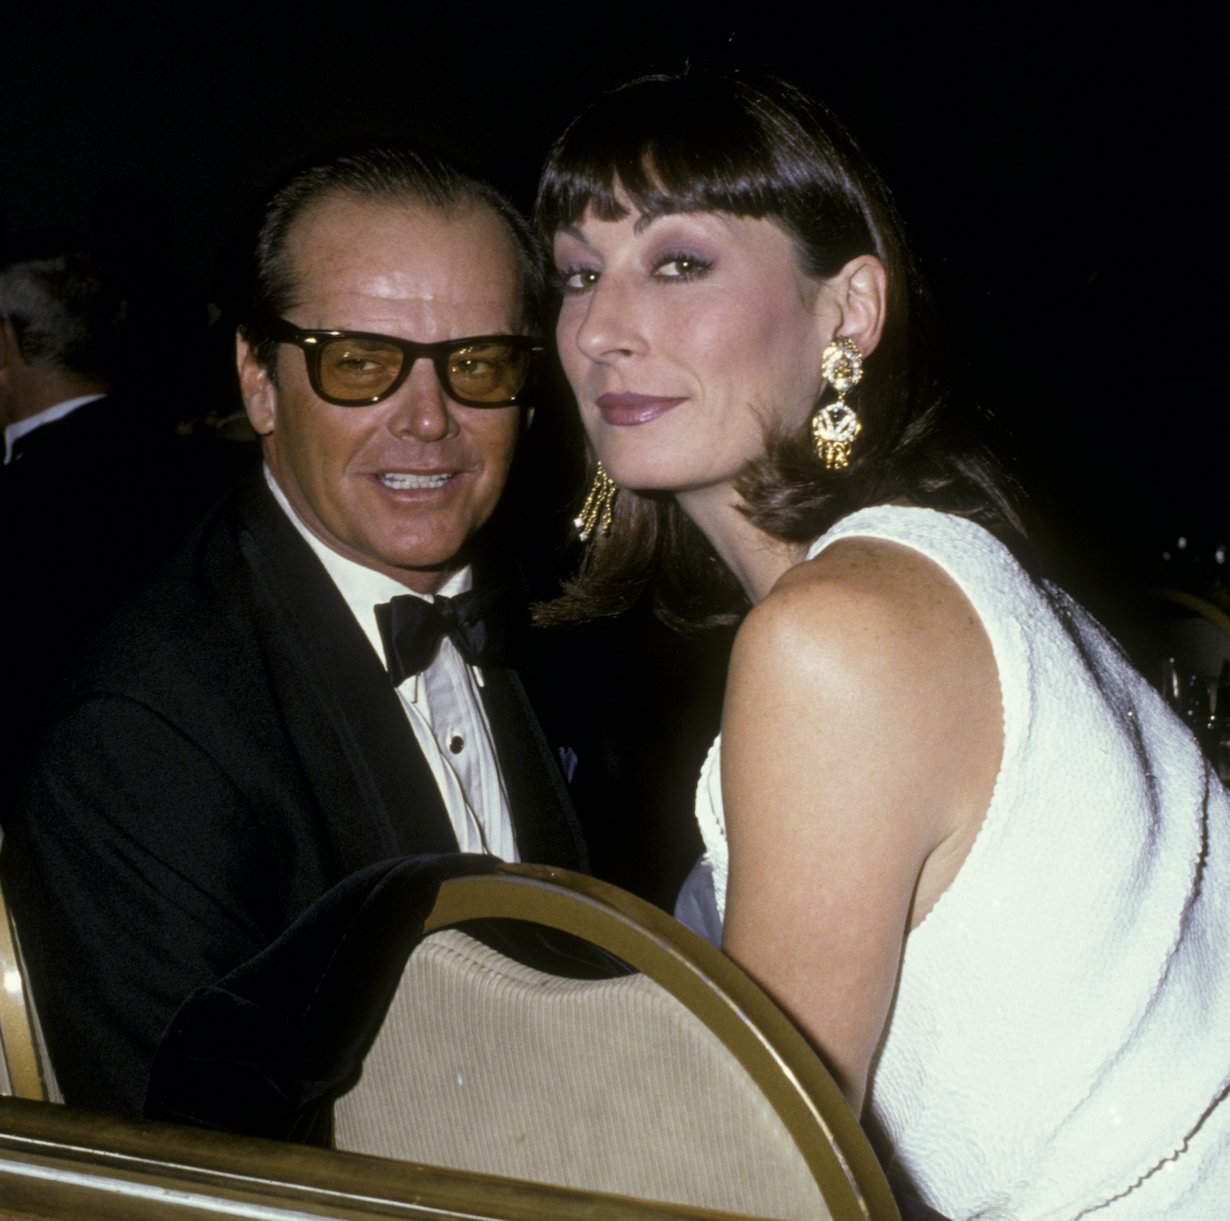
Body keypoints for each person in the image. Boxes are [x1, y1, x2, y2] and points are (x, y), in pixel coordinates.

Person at [536, 71, 1230, 1218]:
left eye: (678, 263)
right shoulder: (919, 568)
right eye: (575, 273)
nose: (601, 331)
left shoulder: (838, 635)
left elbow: (755, 1183)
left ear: (849, 310)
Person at [1, 146, 587, 1116]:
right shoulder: (146, 733)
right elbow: (192, 1177)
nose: (430, 421)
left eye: (479, 363)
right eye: (360, 363)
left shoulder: (544, 619)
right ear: (259, 382)